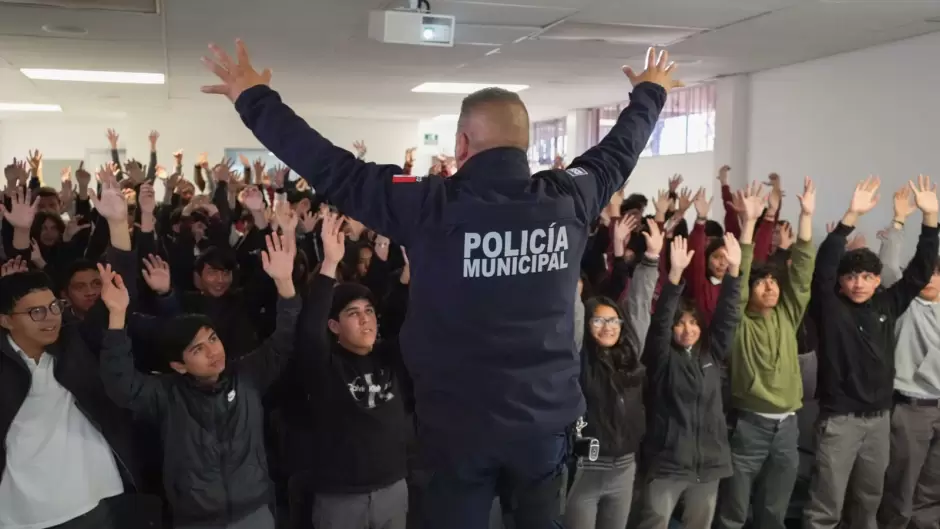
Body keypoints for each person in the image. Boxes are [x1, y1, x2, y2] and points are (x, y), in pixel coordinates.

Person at [200, 40, 683, 528]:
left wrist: (254, 98)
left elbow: (333, 169)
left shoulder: (429, 205)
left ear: (462, 145)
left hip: (456, 432)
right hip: (544, 428)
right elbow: (621, 149)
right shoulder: (569, 197)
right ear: (525, 143)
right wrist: (650, 92)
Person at [97, 233, 301, 529]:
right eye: (197, 349)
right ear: (178, 366)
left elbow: (284, 339)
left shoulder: (246, 376)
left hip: (256, 511)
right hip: (197, 519)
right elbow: (121, 383)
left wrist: (284, 283)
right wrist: (117, 316)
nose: (213, 352)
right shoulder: (167, 395)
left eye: (213, 339)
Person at [804, 175, 939, 529]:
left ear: (878, 280)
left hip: (879, 420)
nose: (858, 283)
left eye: (867, 276)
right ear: (841, 282)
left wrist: (929, 220)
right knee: (825, 506)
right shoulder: (831, 308)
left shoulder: (888, 303)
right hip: (840, 422)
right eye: (851, 277)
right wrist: (851, 216)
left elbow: (919, 272)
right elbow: (823, 269)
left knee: (868, 503)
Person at [716, 177, 817, 529]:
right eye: (762, 282)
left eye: (773, 281)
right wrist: (748, 225)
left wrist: (806, 217)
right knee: (734, 509)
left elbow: (802, 275)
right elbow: (737, 283)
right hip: (749, 425)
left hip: (788, 426)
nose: (770, 285)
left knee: (774, 510)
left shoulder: (788, 315)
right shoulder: (740, 321)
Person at [636, 232, 742, 529]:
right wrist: (675, 276)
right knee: (654, 522)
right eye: (680, 324)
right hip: (669, 463)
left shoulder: (711, 354)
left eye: (693, 322)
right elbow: (659, 325)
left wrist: (734, 273)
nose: (687, 329)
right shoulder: (661, 358)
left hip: (709, 464)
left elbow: (728, 317)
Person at [564, 220, 661, 529]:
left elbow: (640, 305)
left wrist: (652, 260)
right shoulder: (578, 355)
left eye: (613, 322)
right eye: (599, 322)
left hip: (625, 467)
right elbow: (576, 313)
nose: (608, 328)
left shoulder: (630, 350)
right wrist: (571, 255)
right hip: (586, 469)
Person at [876, 186, 940, 529]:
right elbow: (887, 267)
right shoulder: (904, 304)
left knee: (932, 489)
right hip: (911, 406)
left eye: (935, 273)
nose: (929, 279)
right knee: (900, 487)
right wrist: (899, 222)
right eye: (925, 273)